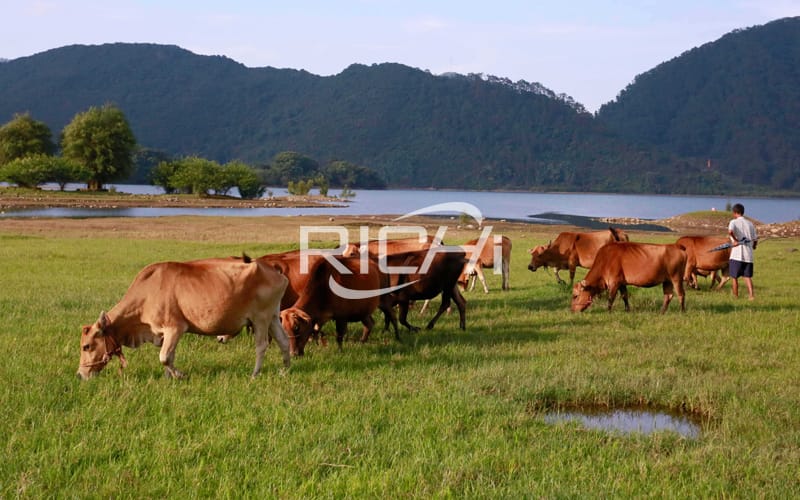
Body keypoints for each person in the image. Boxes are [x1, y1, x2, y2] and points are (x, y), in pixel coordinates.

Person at [727, 203, 758, 300]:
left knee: (734, 277)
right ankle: (751, 296)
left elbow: (730, 232)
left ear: (735, 213)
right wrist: (754, 246)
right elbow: (755, 239)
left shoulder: (733, 222)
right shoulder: (750, 224)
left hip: (737, 254)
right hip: (748, 255)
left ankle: (736, 297)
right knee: (747, 276)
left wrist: (735, 240)